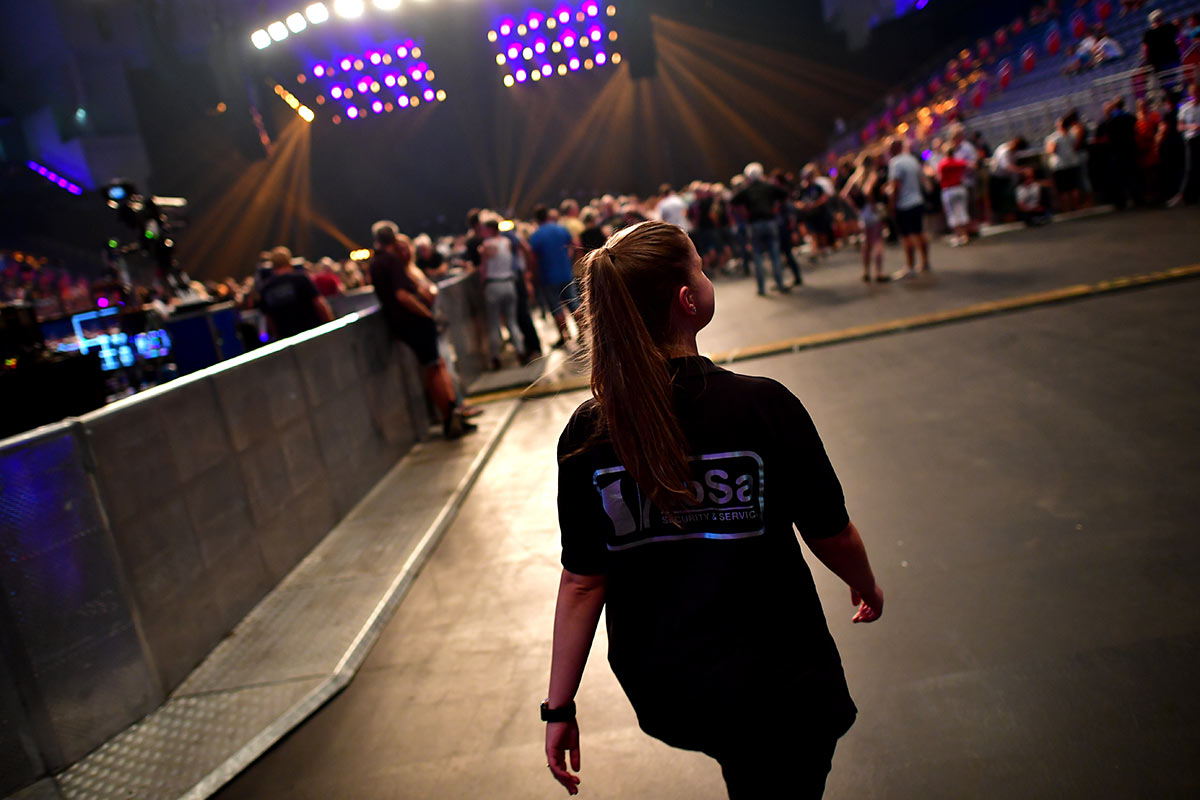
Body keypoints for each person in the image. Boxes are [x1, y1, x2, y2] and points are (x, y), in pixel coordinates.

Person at [544, 220, 882, 799]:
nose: (706, 274)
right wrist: (866, 583)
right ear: (687, 300)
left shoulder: (589, 434)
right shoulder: (762, 406)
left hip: (669, 681)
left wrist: (558, 708)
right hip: (778, 677)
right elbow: (830, 532)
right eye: (700, 266)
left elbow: (581, 583)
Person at [368, 221, 475, 439]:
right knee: (435, 367)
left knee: (436, 366)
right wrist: (426, 314)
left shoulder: (375, 263)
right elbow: (402, 296)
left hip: (401, 324)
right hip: (415, 322)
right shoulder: (391, 261)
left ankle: (452, 414)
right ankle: (450, 418)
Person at [731, 162, 790, 295]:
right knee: (775, 255)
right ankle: (780, 284)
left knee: (757, 257)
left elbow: (733, 202)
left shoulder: (746, 190)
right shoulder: (768, 186)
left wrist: (744, 213)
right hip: (769, 222)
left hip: (754, 224)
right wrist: (775, 207)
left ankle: (761, 288)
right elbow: (784, 193)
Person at [529, 205, 582, 348]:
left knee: (556, 307)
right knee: (573, 303)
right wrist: (568, 258)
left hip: (547, 276)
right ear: (548, 215)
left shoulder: (536, 236)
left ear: (537, 219)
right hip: (565, 272)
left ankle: (564, 336)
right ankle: (582, 332)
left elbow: (533, 259)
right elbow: (576, 245)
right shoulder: (561, 229)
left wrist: (534, 276)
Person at [479, 218, 526, 369]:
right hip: (509, 283)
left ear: (489, 229)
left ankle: (495, 357)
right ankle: (520, 351)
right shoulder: (506, 242)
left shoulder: (486, 245)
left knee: (494, 324)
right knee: (512, 321)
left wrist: (482, 286)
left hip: (493, 284)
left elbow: (484, 269)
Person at [258, 247, 333, 339]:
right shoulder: (301, 278)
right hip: (313, 333)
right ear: (289, 261)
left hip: (287, 339)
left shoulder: (266, 288)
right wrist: (330, 325)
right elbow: (319, 303)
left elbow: (269, 320)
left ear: (273, 265)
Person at [840, 152, 888, 282]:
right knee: (878, 241)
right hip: (871, 210)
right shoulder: (872, 175)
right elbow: (867, 191)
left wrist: (856, 208)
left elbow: (844, 194)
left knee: (867, 243)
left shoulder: (855, 177)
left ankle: (866, 272)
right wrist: (872, 204)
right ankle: (879, 272)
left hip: (863, 212)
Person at [886, 137, 930, 278]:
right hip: (917, 201)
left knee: (906, 237)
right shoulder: (911, 159)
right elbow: (922, 179)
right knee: (919, 233)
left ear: (893, 148)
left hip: (904, 204)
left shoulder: (895, 163)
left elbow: (895, 187)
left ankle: (909, 266)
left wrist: (892, 205)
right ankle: (925, 262)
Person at [1169, 80, 1200, 206]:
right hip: (1191, 140)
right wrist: (1190, 127)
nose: (1195, 94)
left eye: (1197, 92)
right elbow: (1180, 127)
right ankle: (1185, 195)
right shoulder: (1185, 108)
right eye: (1193, 92)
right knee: (1190, 168)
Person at [1046, 115, 1083, 212]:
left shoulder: (1055, 137)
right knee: (1074, 187)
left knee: (1064, 189)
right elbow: (1076, 146)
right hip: (1072, 162)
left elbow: (1051, 150)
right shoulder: (1072, 135)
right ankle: (1076, 206)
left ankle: (1068, 208)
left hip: (1060, 165)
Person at [937, 142, 971, 246]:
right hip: (960, 188)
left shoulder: (943, 164)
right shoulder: (960, 162)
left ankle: (957, 236)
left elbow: (939, 178)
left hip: (949, 190)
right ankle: (965, 235)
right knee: (962, 211)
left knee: (952, 214)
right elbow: (969, 167)